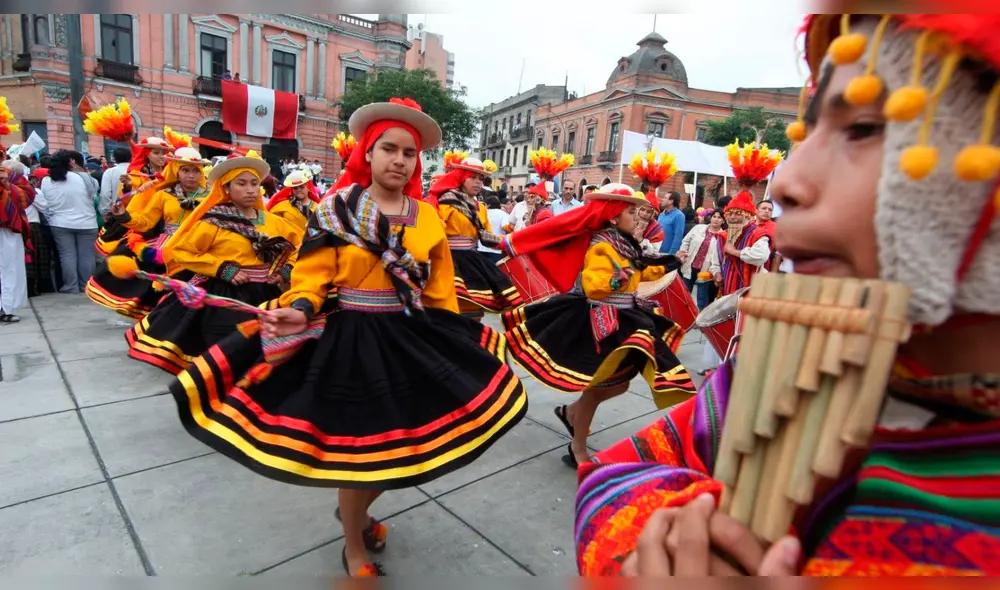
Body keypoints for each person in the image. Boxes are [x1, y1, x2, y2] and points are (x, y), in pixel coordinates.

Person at [574, 12, 1000, 577]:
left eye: (865, 127)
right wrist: (659, 541)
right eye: (809, 132)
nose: (787, 182)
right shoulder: (768, 380)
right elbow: (615, 472)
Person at [165, 98, 527, 577]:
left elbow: (438, 286)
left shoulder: (426, 216)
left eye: (410, 153)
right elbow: (312, 276)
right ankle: (354, 544)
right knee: (361, 448)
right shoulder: (336, 210)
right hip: (353, 336)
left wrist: (452, 334)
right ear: (368, 154)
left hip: (412, 335)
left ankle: (355, 514)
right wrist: (298, 308)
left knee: (406, 446)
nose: (400, 160)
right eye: (389, 149)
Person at [500, 183, 695, 467]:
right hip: (603, 322)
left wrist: (671, 263)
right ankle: (578, 448)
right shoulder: (603, 246)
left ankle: (570, 414)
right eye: (631, 211)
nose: (637, 217)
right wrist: (624, 275)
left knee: (619, 385)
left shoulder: (625, 242)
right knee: (597, 389)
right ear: (615, 217)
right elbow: (596, 288)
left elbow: (641, 269)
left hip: (626, 317)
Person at [123, 152, 302, 374]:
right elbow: (181, 251)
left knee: (265, 352)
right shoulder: (213, 221)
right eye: (241, 183)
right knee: (226, 347)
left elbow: (301, 247)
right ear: (226, 189)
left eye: (254, 184)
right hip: (226, 292)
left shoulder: (277, 223)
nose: (250, 189)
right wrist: (221, 268)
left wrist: (286, 270)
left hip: (267, 294)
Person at [86, 147, 211, 319]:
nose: (191, 175)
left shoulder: (212, 198)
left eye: (196, 171)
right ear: (176, 170)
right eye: (185, 170)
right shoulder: (164, 195)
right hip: (168, 250)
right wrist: (123, 215)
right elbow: (146, 222)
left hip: (199, 248)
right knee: (161, 293)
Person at [430, 155, 523, 319]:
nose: (478, 182)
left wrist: (516, 241)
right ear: (461, 178)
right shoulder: (446, 200)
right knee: (451, 309)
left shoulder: (480, 207)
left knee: (475, 311)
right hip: (448, 259)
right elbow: (435, 230)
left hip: (472, 259)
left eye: (481, 178)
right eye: (472, 178)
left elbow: (486, 236)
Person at [96, 137, 172, 256]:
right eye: (156, 153)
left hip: (168, 219)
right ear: (147, 154)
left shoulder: (171, 174)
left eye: (164, 153)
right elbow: (126, 202)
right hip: (143, 221)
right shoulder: (136, 175)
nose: (162, 156)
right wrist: (128, 186)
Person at [38, 150, 99, 294]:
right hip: (87, 222)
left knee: (67, 255)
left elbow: (45, 203)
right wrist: (80, 170)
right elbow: (95, 193)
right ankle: (86, 285)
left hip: (59, 222)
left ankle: (70, 286)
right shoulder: (86, 179)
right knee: (87, 255)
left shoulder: (47, 181)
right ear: (71, 162)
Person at [720, 191, 773, 296]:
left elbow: (760, 257)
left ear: (748, 216)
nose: (733, 217)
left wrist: (734, 251)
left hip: (749, 288)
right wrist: (717, 272)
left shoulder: (758, 233)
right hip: (728, 285)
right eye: (730, 214)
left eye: (737, 214)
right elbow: (716, 258)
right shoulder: (724, 234)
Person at [0, 158, 33, 322]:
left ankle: (6, 307)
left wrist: (7, 186)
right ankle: (6, 308)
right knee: (9, 269)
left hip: (8, 232)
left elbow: (26, 198)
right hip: (7, 232)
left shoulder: (14, 185)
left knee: (9, 269)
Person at [677, 208, 725, 309]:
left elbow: (719, 258)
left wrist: (716, 272)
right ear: (710, 218)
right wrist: (683, 253)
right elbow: (686, 241)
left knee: (702, 299)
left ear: (723, 221)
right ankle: (682, 317)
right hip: (689, 265)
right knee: (684, 295)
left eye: (719, 217)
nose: (716, 219)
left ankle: (700, 322)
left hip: (706, 271)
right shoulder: (698, 228)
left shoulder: (723, 236)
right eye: (714, 216)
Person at [99, 147, 132, 218]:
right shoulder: (137, 171)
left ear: (114, 158)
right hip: (137, 211)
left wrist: (105, 211)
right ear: (130, 157)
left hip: (116, 211)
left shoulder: (109, 172)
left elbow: (105, 194)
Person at [477, 195, 507, 264]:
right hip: (496, 248)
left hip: (481, 247)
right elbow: (505, 227)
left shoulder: (483, 213)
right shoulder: (503, 214)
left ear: (488, 205)